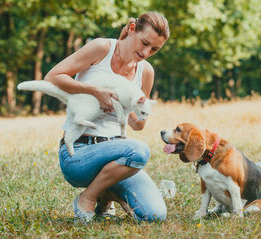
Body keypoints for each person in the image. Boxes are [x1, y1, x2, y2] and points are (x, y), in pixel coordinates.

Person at [44, 11, 170, 224]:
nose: (147, 52)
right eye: (145, 43)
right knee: (139, 150)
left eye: (154, 49)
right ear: (132, 30)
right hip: (79, 154)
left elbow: (138, 125)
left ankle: (107, 194)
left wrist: (131, 109)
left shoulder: (146, 71)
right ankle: (87, 198)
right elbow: (52, 78)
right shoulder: (102, 48)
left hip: (118, 157)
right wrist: (95, 91)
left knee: (155, 215)